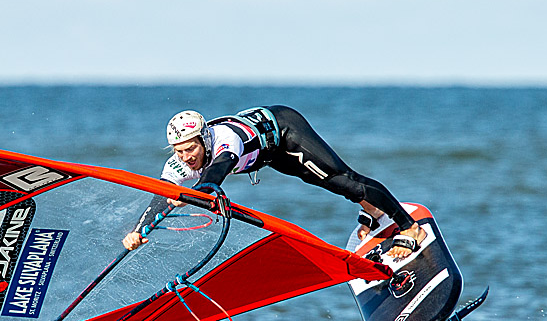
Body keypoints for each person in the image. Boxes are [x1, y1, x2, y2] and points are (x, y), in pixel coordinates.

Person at [122, 106, 425, 260]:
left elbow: (216, 176)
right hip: (268, 155)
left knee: (344, 181)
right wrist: (138, 230)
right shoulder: (178, 163)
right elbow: (160, 197)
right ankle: (373, 213)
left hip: (285, 130)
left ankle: (409, 226)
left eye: (191, 149)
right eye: (179, 152)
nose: (186, 157)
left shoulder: (225, 142)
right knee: (326, 183)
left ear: (204, 140)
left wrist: (191, 195)